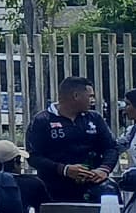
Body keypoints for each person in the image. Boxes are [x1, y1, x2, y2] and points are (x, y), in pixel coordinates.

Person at [28, 75, 119, 204]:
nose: (93, 101)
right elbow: (33, 157)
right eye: (90, 96)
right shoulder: (41, 121)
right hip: (54, 190)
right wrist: (64, 169)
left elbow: (111, 147)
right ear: (76, 96)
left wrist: (103, 169)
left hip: (93, 187)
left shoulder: (94, 118)